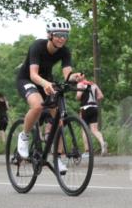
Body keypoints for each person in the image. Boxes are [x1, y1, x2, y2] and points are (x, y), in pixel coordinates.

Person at [14, 17, 84, 173]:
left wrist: (75, 77)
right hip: (27, 79)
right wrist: (46, 84)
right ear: (49, 35)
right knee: (38, 105)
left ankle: (56, 158)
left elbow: (67, 75)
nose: (62, 38)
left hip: (47, 82)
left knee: (58, 119)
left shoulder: (65, 51)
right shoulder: (37, 46)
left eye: (65, 35)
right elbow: (33, 74)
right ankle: (24, 136)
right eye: (58, 35)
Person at [77, 78, 106, 157]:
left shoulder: (80, 84)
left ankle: (87, 151)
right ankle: (102, 142)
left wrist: (80, 95)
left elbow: (78, 96)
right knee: (95, 130)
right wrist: (93, 98)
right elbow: (101, 96)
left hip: (85, 108)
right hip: (94, 108)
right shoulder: (93, 84)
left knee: (84, 129)